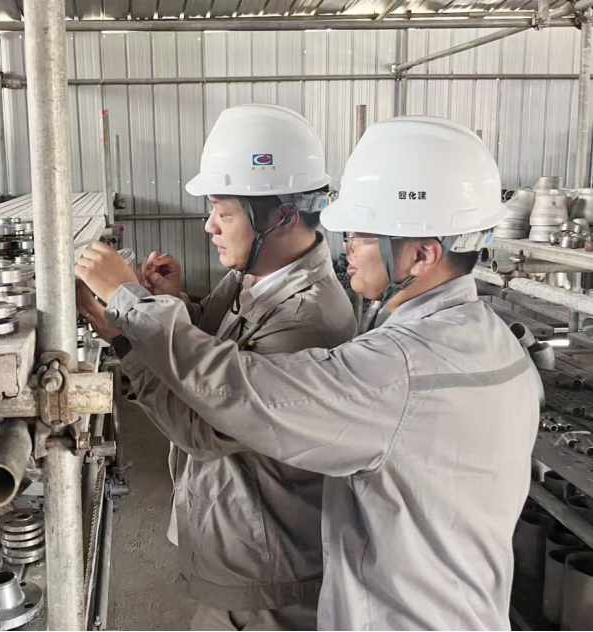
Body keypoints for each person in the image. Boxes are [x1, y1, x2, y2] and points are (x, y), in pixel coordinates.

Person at [75, 116, 541, 631]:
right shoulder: (491, 339)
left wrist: (131, 311)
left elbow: (242, 396)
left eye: (361, 234)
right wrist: (168, 311)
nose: (346, 245)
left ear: (423, 254)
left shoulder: (396, 369)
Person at [78, 104, 357, 631]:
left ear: (281, 216)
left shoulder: (308, 321)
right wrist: (174, 302)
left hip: (268, 575)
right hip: (238, 541)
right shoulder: (257, 275)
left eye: (224, 214)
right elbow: (220, 346)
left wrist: (128, 323)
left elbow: (202, 424)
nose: (209, 226)